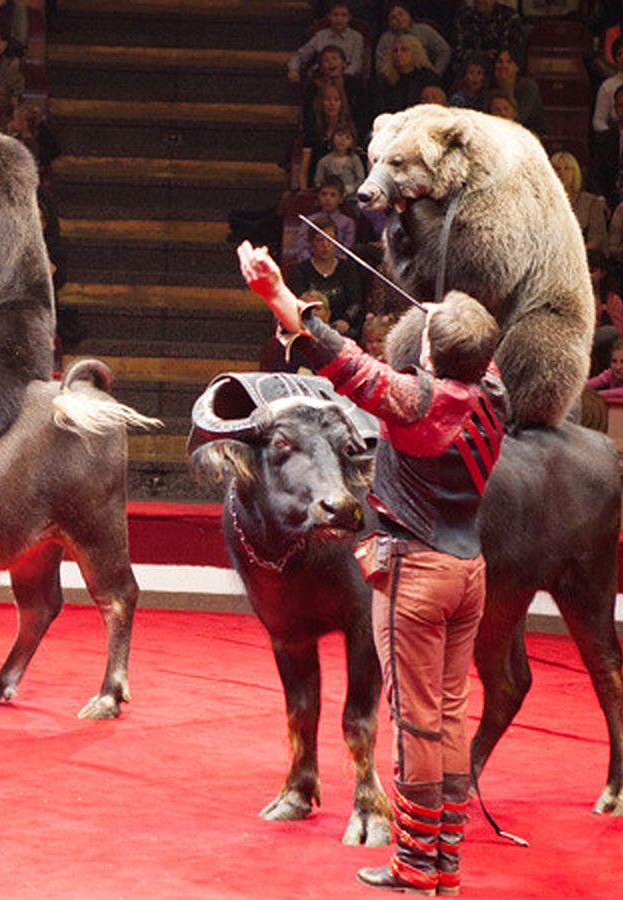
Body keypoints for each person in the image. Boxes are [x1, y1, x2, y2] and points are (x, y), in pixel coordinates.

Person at [237, 239, 506, 898]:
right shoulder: (495, 391)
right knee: (446, 714)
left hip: (415, 572)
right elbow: (467, 347)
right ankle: (444, 856)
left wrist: (278, 295)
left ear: (431, 355)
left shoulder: (412, 400)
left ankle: (415, 865)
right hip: (468, 568)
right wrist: (452, 327)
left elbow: (341, 359)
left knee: (412, 720)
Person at [285, 215, 364, 340]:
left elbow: (355, 302)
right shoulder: (301, 271)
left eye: (329, 239)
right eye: (319, 240)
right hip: (309, 327)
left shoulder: (347, 268)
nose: (325, 245)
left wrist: (345, 321)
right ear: (311, 243)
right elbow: (297, 303)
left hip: (341, 329)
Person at [300, 77, 358, 190]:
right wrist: (304, 193)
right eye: (327, 99)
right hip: (319, 188)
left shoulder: (349, 130)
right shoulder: (312, 131)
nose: (332, 104)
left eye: (336, 100)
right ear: (320, 102)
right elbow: (304, 171)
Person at [288, 2, 364, 82]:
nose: (339, 18)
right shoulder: (321, 35)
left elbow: (356, 63)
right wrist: (293, 69)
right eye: (335, 15)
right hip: (321, 76)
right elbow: (300, 55)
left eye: (343, 15)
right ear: (329, 17)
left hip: (346, 77)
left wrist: (340, 77)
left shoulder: (356, 37)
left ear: (349, 18)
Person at [550, 150, 609, 252]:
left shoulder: (591, 203)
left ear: (575, 172)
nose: (561, 173)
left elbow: (597, 239)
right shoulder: (542, 203)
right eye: (557, 169)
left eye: (567, 168)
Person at [374, 3, 452, 80]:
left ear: (408, 14)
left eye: (400, 14)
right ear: (389, 23)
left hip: (425, 78)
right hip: (396, 81)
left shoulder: (425, 30)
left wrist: (435, 73)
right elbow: (380, 66)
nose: (398, 19)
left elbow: (445, 51)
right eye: (393, 17)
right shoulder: (385, 39)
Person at [376, 33, 441, 116]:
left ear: (415, 53)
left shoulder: (429, 77)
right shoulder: (385, 79)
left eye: (404, 50)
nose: (398, 54)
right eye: (395, 51)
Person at [451, 0, 523, 73]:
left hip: (498, 71)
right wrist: (482, 55)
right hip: (468, 71)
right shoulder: (463, 16)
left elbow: (511, 53)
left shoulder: (509, 16)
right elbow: (458, 51)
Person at [492, 49, 549, 136]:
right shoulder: (490, 86)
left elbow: (518, 118)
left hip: (530, 132)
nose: (504, 65)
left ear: (517, 67)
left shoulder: (528, 87)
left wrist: (507, 86)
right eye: (500, 62)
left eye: (509, 62)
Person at [313, 124, 365, 200]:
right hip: (330, 198)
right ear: (332, 137)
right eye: (339, 135)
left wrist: (349, 189)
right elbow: (318, 180)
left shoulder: (354, 159)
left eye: (347, 138)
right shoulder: (324, 161)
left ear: (352, 143)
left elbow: (361, 179)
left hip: (351, 198)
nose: (342, 140)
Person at [585, 336, 623, 400]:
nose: (618, 367)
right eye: (614, 361)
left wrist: (599, 394)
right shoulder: (611, 373)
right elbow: (587, 385)